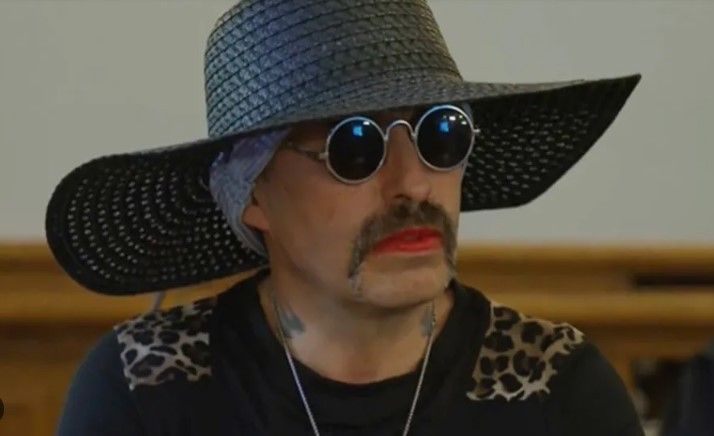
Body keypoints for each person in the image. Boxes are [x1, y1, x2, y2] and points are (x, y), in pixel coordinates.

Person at [47, 0, 644, 435]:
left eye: (440, 134)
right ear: (254, 194)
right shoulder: (144, 393)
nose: (413, 184)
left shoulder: (558, 390)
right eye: (354, 147)